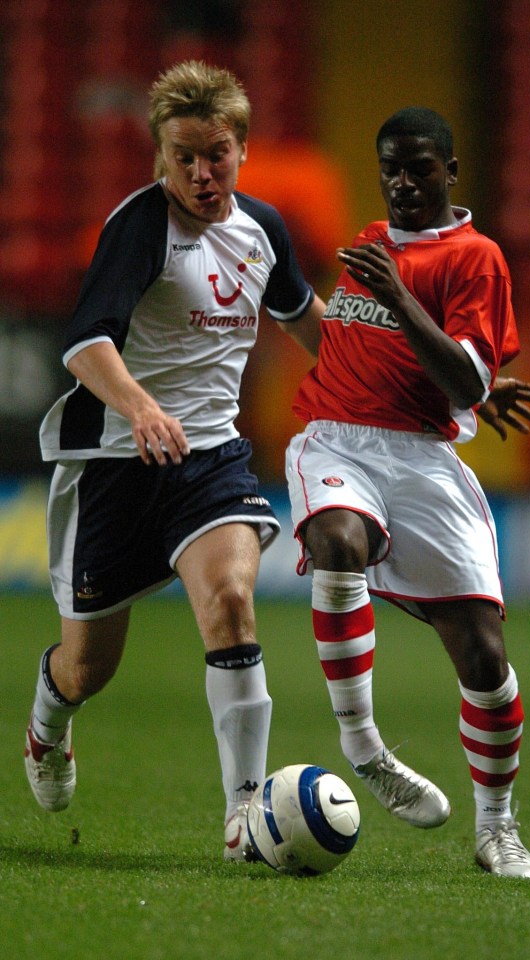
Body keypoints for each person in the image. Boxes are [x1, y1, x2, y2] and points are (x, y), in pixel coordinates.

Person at [23, 59, 326, 862]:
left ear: (242, 149)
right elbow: (84, 344)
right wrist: (141, 406)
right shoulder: (140, 226)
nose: (200, 172)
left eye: (215, 153)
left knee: (230, 599)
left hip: (210, 458)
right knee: (88, 668)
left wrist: (409, 377)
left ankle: (244, 815)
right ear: (159, 155)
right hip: (117, 462)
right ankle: (47, 725)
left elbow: (308, 325)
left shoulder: (262, 229)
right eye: (182, 155)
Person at [284, 106, 530, 878]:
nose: (402, 182)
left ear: (450, 170)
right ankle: (364, 748)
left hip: (425, 461)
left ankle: (495, 827)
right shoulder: (365, 243)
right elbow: (359, 340)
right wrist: (463, 381)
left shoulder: (475, 258)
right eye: (390, 167)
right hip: (335, 438)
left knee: (483, 656)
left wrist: (471, 385)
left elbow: (463, 375)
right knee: (336, 541)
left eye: (418, 167)